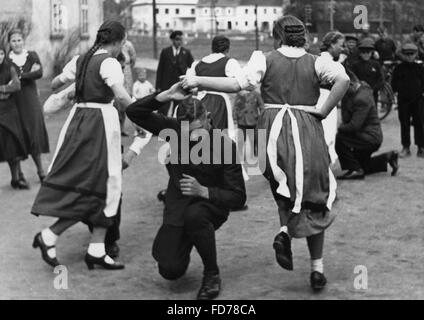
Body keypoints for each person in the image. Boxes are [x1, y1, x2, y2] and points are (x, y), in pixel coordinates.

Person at [182, 15, 350, 291]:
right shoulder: (316, 60)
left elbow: (237, 84)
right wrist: (323, 109)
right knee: (312, 197)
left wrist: (197, 80)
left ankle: (284, 231)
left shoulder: (265, 58)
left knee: (283, 187)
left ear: (277, 36)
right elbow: (342, 79)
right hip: (306, 129)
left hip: (272, 131)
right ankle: (316, 267)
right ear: (303, 37)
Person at [126, 84, 247, 300]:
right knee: (170, 270)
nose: (193, 137)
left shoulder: (225, 146)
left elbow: (238, 198)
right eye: (187, 132)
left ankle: (212, 274)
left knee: (196, 217)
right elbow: (134, 112)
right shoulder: (174, 130)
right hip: (178, 205)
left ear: (208, 118)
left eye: (197, 130)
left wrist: (204, 191)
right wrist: (167, 95)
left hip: (210, 206)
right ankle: (194, 236)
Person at [31, 21, 133, 270]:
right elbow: (120, 96)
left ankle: (96, 248)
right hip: (99, 123)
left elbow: (54, 83)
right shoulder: (109, 62)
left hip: (79, 120)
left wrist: (74, 86)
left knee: (99, 186)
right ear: (119, 42)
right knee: (104, 184)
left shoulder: (81, 59)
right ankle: (50, 236)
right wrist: (142, 117)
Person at [336, 70, 399, 179]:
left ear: (351, 84)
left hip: (369, 138)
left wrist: (338, 128)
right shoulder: (360, 90)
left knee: (340, 138)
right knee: (363, 165)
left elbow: (354, 126)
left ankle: (355, 170)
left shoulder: (361, 98)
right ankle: (388, 157)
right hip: (368, 136)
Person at [8, 29, 49, 183]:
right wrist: (26, 75)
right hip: (13, 101)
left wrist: (19, 76)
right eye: (13, 40)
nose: (17, 43)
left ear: (23, 41)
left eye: (19, 40)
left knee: (33, 133)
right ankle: (18, 175)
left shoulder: (31, 55)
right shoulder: (7, 59)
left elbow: (39, 73)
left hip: (30, 100)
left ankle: (41, 171)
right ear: (9, 43)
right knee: (15, 136)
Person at [186, 35, 243, 140]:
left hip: (199, 102)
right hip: (219, 102)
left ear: (212, 48)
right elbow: (240, 82)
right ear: (227, 49)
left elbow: (188, 82)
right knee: (219, 135)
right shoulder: (229, 62)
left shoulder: (198, 64)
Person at [0, 46, 28, 189]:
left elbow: (16, 85)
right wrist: (6, 88)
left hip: (9, 112)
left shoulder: (9, 68)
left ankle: (16, 178)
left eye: (1, 53)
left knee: (13, 145)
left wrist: (3, 89)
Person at [391, 43, 424, 158]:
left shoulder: (420, 68)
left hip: (418, 100)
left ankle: (421, 147)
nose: (410, 56)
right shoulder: (398, 68)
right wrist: (394, 95)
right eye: (407, 54)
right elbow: (393, 84)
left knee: (419, 123)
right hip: (403, 100)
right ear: (403, 55)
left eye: (412, 54)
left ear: (416, 55)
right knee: (404, 123)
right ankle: (406, 147)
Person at [319, 31, 346, 165]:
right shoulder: (328, 62)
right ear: (331, 45)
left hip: (323, 98)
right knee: (327, 134)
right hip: (325, 99)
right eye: (340, 45)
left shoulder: (319, 59)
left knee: (325, 134)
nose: (342, 48)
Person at [156, 31, 194, 116]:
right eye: (177, 39)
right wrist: (158, 86)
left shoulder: (186, 52)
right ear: (172, 40)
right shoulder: (165, 51)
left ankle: (179, 128)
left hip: (180, 85)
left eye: (181, 39)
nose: (179, 42)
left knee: (180, 109)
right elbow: (160, 69)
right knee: (163, 108)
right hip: (166, 84)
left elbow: (192, 67)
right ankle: (160, 128)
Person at [351, 38, 383, 104]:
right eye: (363, 52)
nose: (366, 54)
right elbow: (352, 79)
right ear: (360, 54)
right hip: (359, 95)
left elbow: (381, 78)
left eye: (368, 52)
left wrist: (374, 89)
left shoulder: (376, 64)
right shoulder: (355, 65)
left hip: (373, 94)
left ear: (371, 53)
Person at [233, 87, 264, 158]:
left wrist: (261, 117)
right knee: (241, 139)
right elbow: (235, 107)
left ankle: (255, 152)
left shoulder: (256, 94)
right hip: (242, 119)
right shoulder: (240, 94)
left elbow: (261, 106)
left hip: (253, 119)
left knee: (254, 138)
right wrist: (235, 118)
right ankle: (241, 154)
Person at [120, 39, 137, 136]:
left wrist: (128, 67)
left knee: (125, 98)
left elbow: (133, 57)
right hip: (115, 69)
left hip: (126, 70)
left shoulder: (128, 44)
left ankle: (122, 127)